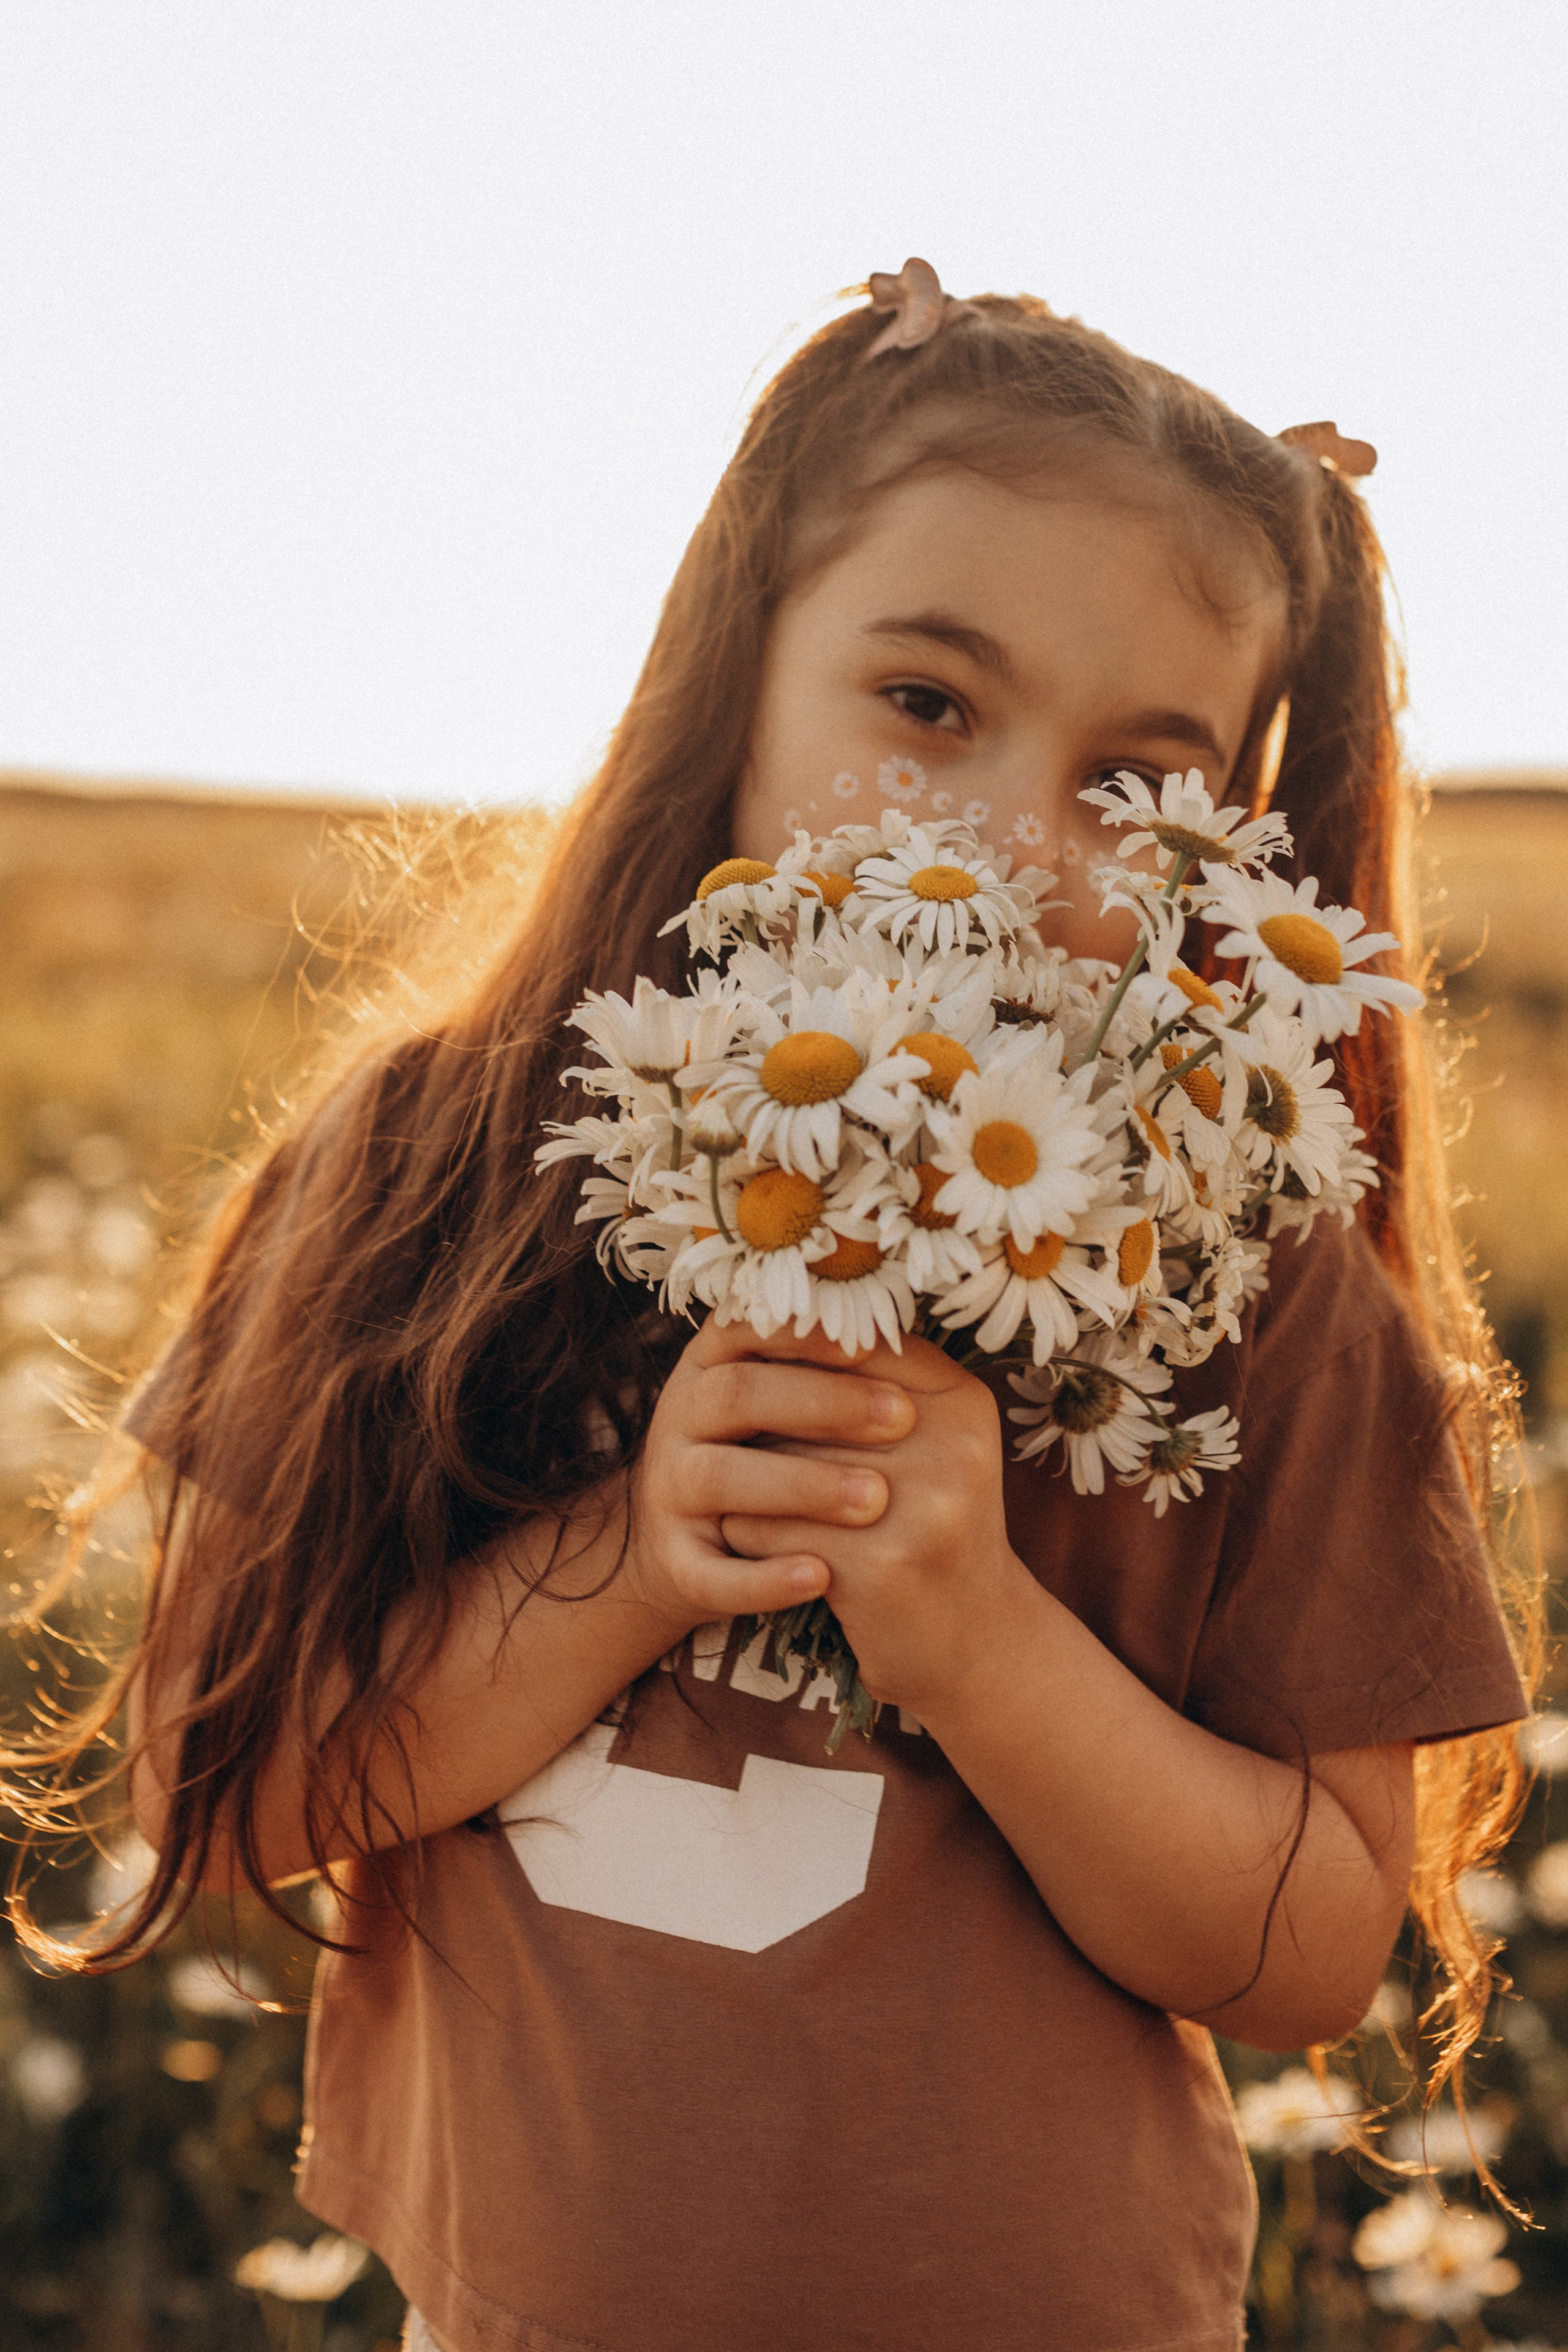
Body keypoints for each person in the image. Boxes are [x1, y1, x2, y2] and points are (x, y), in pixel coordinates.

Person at [12, 262, 1536, 2352]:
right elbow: (234, 1785)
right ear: (734, 679)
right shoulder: (423, 1168)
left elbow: (1303, 1961)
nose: (1007, 842)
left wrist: (984, 1635)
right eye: (924, 706)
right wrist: (631, 1561)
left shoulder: (1262, 1294)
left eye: (1133, 784)